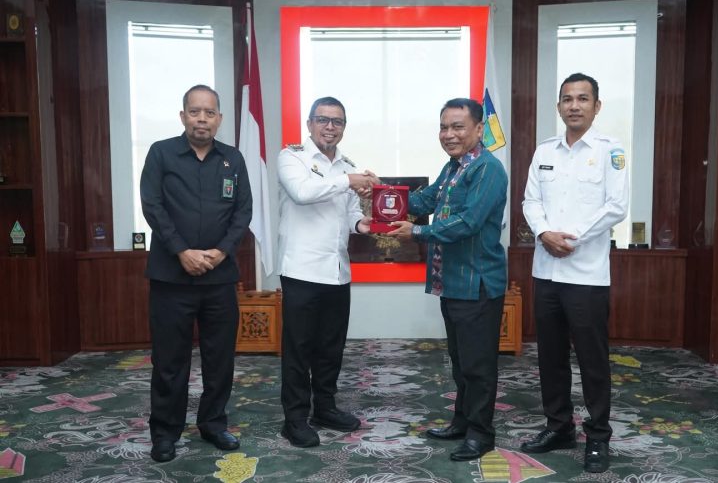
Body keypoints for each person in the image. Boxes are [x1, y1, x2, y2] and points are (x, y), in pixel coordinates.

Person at [520, 73, 629, 473]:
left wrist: (572, 238)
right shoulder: (544, 150)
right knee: (550, 357)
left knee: (592, 360)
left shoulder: (609, 150)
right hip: (546, 271)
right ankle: (559, 426)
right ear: (559, 106)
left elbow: (616, 207)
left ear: (596, 106)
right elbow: (530, 200)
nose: (574, 106)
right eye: (567, 99)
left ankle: (598, 435)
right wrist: (545, 233)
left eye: (583, 99)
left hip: (585, 275)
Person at [389, 98, 508, 462]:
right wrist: (384, 195)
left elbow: (468, 222)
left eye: (458, 126)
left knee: (478, 365)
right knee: (460, 362)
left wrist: (418, 232)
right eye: (444, 127)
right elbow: (426, 199)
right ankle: (462, 421)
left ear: (477, 129)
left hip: (478, 284)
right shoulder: (454, 167)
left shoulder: (488, 169)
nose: (449, 134)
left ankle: (481, 433)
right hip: (452, 283)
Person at [140, 84, 253, 462]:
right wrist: (181, 251)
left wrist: (221, 252)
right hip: (172, 278)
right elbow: (152, 206)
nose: (202, 118)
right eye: (194, 111)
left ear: (219, 118)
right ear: (183, 116)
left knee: (220, 357)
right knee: (170, 360)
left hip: (219, 278)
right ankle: (165, 432)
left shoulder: (233, 159)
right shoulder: (161, 153)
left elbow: (243, 212)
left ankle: (213, 423)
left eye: (209, 112)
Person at [277, 96, 379, 448]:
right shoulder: (292, 157)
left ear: (344, 127)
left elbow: (350, 213)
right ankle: (294, 418)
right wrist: (348, 180)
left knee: (330, 348)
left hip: (337, 273)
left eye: (337, 121)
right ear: (309, 124)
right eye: (323, 120)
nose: (330, 127)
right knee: (298, 349)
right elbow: (303, 193)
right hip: (302, 271)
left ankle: (325, 408)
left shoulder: (346, 165)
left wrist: (364, 225)